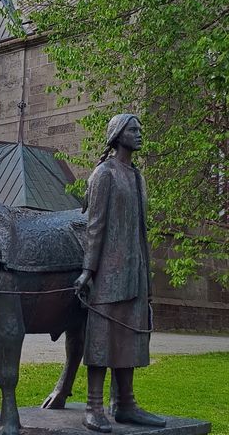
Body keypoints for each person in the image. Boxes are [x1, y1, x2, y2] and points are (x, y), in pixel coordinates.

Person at [74, 113, 166, 432]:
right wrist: (88, 270)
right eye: (133, 129)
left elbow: (141, 230)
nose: (140, 133)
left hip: (134, 271)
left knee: (130, 337)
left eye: (141, 128)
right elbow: (94, 225)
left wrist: (146, 274)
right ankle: (93, 406)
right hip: (108, 272)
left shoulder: (138, 176)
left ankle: (126, 404)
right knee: (102, 337)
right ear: (117, 135)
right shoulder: (105, 174)